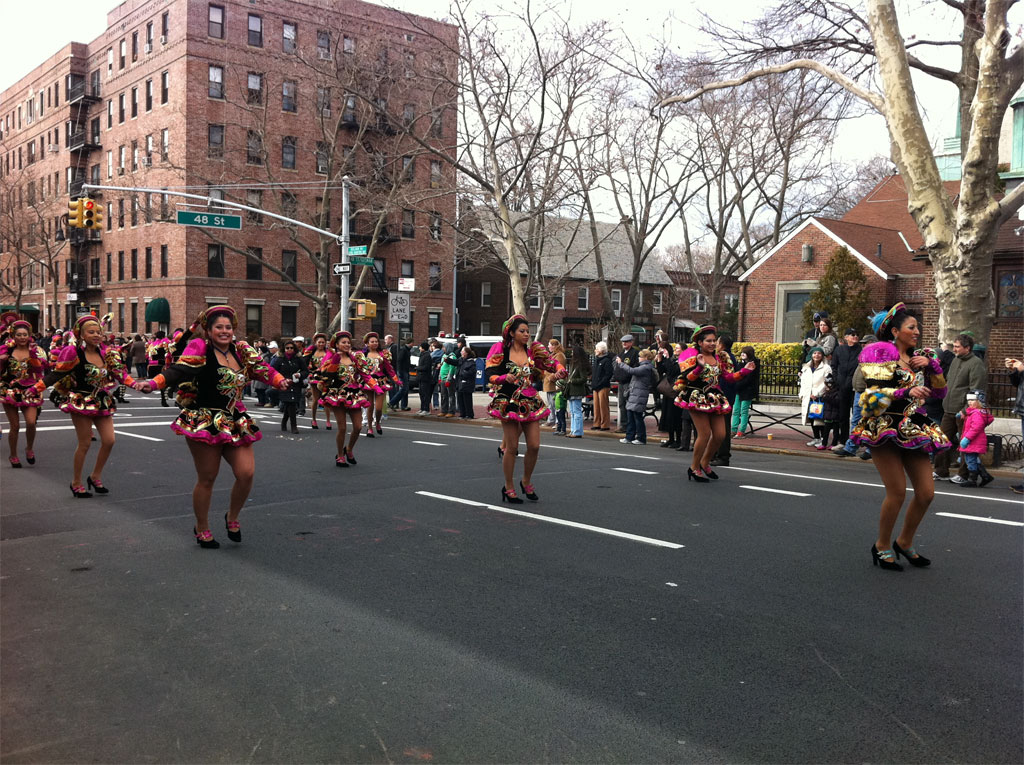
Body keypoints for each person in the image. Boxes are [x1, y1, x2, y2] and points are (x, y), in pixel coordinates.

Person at [141, 306, 289, 547]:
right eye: (218, 327)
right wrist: (154, 382)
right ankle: (201, 526)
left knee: (246, 473)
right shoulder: (201, 349)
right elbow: (180, 370)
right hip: (204, 419)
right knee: (207, 477)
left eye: (228, 327)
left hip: (235, 419)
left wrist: (279, 380)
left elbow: (262, 369)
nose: (224, 331)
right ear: (208, 331)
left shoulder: (241, 350)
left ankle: (232, 516)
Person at [851, 303, 950, 571]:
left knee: (926, 494)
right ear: (895, 331)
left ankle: (904, 542)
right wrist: (905, 393)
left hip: (914, 427)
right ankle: (882, 545)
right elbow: (869, 398)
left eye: (917, 327)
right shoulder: (879, 355)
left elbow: (940, 394)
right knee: (896, 492)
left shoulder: (922, 357)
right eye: (911, 327)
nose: (917, 331)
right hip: (883, 427)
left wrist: (932, 367)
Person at [37, 315, 139, 498]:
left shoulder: (106, 353)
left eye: (98, 332)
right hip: (81, 401)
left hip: (102, 400)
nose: (96, 335)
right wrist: (36, 388)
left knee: (109, 441)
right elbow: (57, 374)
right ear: (81, 335)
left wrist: (137, 384)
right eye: (91, 332)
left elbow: (120, 374)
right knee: (84, 443)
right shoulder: (74, 353)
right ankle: (76, 482)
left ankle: (95, 476)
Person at [485, 315, 566, 503]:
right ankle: (508, 486)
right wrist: (503, 378)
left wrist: (559, 369)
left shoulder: (532, 351)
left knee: (535, 446)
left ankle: (526, 481)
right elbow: (490, 373)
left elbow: (550, 364)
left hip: (529, 400)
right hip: (508, 400)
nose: (526, 334)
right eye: (522, 331)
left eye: (528, 331)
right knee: (511, 447)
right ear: (511, 333)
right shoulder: (500, 350)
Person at [674, 325, 754, 482]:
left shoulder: (719, 358)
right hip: (696, 396)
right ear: (700, 342)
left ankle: (705, 462)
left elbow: (728, 377)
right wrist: (699, 367)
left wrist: (745, 370)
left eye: (713, 341)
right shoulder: (693, 357)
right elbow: (687, 379)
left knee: (720, 435)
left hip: (715, 397)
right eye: (708, 341)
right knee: (704, 435)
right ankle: (694, 467)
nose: (712, 344)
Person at [932, 334, 987, 485]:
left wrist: (965, 410)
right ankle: (941, 470)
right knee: (941, 439)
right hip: (948, 408)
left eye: (957, 347)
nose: (954, 349)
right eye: (954, 346)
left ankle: (964, 474)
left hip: (964, 412)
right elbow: (949, 382)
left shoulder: (976, 364)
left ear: (967, 348)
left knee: (966, 444)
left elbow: (976, 389)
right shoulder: (956, 361)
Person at [317, 330, 372, 466]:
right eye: (344, 342)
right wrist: (335, 361)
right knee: (342, 428)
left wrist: (373, 384)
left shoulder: (354, 359)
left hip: (354, 394)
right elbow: (325, 375)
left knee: (358, 427)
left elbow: (364, 373)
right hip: (338, 394)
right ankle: (340, 456)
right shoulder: (331, 358)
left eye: (348, 342)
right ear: (337, 344)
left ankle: (349, 449)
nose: (347, 344)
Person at [1, 320, 47, 468]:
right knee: (14, 426)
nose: (22, 337)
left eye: (25, 335)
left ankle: (29, 448)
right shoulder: (5, 350)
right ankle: (13, 455)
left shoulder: (36, 351)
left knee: (31, 422)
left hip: (29, 390)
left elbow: (43, 370)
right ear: (13, 336)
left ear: (29, 335)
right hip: (10, 390)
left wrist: (36, 360)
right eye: (19, 335)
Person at [362, 331, 401, 435]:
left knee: (378, 408)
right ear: (367, 343)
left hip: (381, 382)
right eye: (372, 341)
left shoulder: (383, 354)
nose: (375, 343)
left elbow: (389, 369)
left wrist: (396, 379)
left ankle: (378, 422)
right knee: (370, 407)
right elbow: (360, 369)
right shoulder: (363, 355)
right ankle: (370, 428)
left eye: (376, 341)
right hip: (368, 382)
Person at [614, 348, 656, 444]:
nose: (638, 358)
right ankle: (630, 436)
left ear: (645, 358)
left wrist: (621, 363)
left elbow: (631, 370)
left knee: (637, 417)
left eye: (640, 356)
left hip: (639, 394)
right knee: (631, 416)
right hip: (634, 393)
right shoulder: (643, 366)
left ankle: (641, 437)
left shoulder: (646, 367)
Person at [830, 328, 861, 451]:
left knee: (856, 416)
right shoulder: (839, 350)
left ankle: (857, 441)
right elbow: (834, 366)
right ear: (846, 337)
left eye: (857, 334)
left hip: (855, 387)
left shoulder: (861, 350)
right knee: (843, 415)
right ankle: (843, 441)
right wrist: (837, 380)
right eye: (852, 334)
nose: (855, 336)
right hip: (842, 386)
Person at [956, 390, 994, 488]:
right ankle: (985, 476)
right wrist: (963, 416)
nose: (970, 402)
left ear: (979, 402)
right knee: (973, 459)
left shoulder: (976, 413)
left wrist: (967, 439)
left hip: (973, 441)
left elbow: (976, 427)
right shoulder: (975, 412)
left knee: (970, 460)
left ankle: (972, 480)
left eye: (973, 400)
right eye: (969, 400)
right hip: (975, 440)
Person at [711, 335, 738, 466]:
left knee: (722, 428)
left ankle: (723, 455)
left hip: (723, 397)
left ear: (722, 344)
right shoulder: (725, 356)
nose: (715, 343)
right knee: (717, 427)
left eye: (717, 341)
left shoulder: (724, 357)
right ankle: (715, 453)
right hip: (723, 396)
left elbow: (727, 379)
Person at [270, 339, 307, 434]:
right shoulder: (279, 359)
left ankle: (284, 422)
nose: (289, 350)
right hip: (284, 384)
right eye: (287, 348)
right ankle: (294, 426)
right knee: (290, 403)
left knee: (291, 403)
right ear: (284, 349)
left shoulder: (299, 359)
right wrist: (278, 381)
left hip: (296, 384)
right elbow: (273, 371)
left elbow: (306, 371)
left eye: (291, 348)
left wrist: (300, 375)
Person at [799, 348, 832, 448]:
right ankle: (816, 437)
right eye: (814, 353)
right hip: (808, 396)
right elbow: (803, 382)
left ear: (822, 355)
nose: (816, 355)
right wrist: (803, 394)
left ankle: (822, 439)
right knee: (811, 418)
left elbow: (826, 382)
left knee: (819, 419)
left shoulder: (826, 368)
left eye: (819, 353)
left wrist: (817, 394)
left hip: (819, 397)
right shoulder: (806, 367)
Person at [657, 341, 682, 448]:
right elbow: (662, 370)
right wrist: (660, 359)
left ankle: (678, 440)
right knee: (668, 415)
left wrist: (667, 358)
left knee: (675, 416)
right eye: (675, 348)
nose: (675, 350)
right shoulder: (672, 359)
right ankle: (671, 438)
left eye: (678, 348)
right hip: (668, 391)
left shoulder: (682, 361)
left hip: (676, 391)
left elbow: (672, 371)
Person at [304, 333, 332, 430]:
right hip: (314, 378)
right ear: (315, 343)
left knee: (326, 399)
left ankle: (328, 421)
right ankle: (313, 419)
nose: (321, 344)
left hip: (325, 378)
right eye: (319, 342)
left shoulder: (328, 353)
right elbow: (305, 362)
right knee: (315, 399)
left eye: (323, 342)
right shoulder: (311, 352)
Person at [613, 334, 639, 432]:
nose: (624, 343)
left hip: (629, 382)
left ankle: (631, 425)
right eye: (623, 342)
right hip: (621, 382)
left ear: (631, 342)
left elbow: (634, 368)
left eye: (626, 342)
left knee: (629, 404)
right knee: (622, 404)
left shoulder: (634, 353)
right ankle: (624, 425)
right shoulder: (621, 354)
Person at [731, 346, 759, 439]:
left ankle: (741, 431)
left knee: (743, 411)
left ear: (749, 354)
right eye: (742, 352)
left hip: (747, 391)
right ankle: (733, 429)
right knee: (735, 410)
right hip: (738, 391)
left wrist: (737, 385)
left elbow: (749, 379)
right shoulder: (740, 364)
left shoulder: (753, 364)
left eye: (744, 353)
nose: (742, 354)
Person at [565, 343, 590, 438]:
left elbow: (583, 379)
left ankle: (577, 431)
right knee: (573, 411)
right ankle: (573, 430)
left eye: (573, 351)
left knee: (576, 411)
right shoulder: (574, 364)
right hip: (572, 390)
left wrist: (572, 380)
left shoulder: (580, 365)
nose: (571, 353)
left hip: (576, 391)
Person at [542, 339, 566, 427]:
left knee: (556, 403)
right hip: (549, 383)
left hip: (554, 383)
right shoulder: (552, 355)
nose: (548, 346)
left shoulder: (559, 356)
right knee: (550, 404)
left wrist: (551, 377)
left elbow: (560, 369)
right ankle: (551, 420)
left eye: (549, 345)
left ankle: (557, 421)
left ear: (554, 346)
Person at [590, 341, 613, 431]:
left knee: (603, 406)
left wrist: (600, 383)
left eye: (597, 349)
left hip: (603, 386)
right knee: (596, 406)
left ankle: (605, 424)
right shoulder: (596, 360)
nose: (595, 350)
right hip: (596, 386)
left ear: (602, 350)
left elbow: (608, 374)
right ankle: (597, 423)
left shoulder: (606, 361)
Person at [818, 372, 843, 450]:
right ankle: (824, 443)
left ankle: (834, 443)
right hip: (828, 414)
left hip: (835, 415)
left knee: (836, 431)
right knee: (826, 431)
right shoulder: (826, 391)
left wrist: (827, 398)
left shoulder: (837, 392)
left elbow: (836, 402)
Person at [146, 330, 171, 407]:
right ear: (163, 336)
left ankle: (163, 399)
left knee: (157, 382)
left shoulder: (151, 344)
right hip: (161, 364)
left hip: (152, 365)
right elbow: (168, 353)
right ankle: (164, 400)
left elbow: (147, 355)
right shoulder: (164, 343)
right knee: (165, 382)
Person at [390, 336, 414, 411]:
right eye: (412, 343)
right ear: (410, 343)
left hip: (405, 370)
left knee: (405, 389)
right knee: (404, 388)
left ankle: (403, 405)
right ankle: (392, 402)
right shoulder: (404, 350)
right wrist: (399, 371)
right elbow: (399, 361)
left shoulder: (406, 350)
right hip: (402, 371)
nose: (413, 345)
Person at [438, 341, 459, 418]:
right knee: (443, 395)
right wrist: (440, 377)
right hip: (443, 379)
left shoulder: (452, 356)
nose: (443, 349)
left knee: (451, 395)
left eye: (444, 347)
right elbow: (442, 367)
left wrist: (449, 378)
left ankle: (451, 411)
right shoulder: (444, 355)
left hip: (448, 379)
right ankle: (444, 410)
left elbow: (452, 368)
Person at [456, 346, 477, 418]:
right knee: (460, 398)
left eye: (462, 351)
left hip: (467, 383)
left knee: (467, 400)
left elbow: (471, 372)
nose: (461, 352)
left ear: (466, 353)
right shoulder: (461, 360)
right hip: (460, 383)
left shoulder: (471, 362)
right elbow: (456, 363)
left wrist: (463, 373)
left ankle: (469, 414)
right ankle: (463, 413)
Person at [416, 341, 434, 416]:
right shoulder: (422, 355)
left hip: (425, 377)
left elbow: (426, 367)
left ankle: (426, 409)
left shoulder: (427, 356)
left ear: (423, 348)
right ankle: (422, 408)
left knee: (425, 394)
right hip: (421, 377)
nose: (419, 348)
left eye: (420, 347)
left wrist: (417, 368)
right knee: (421, 393)